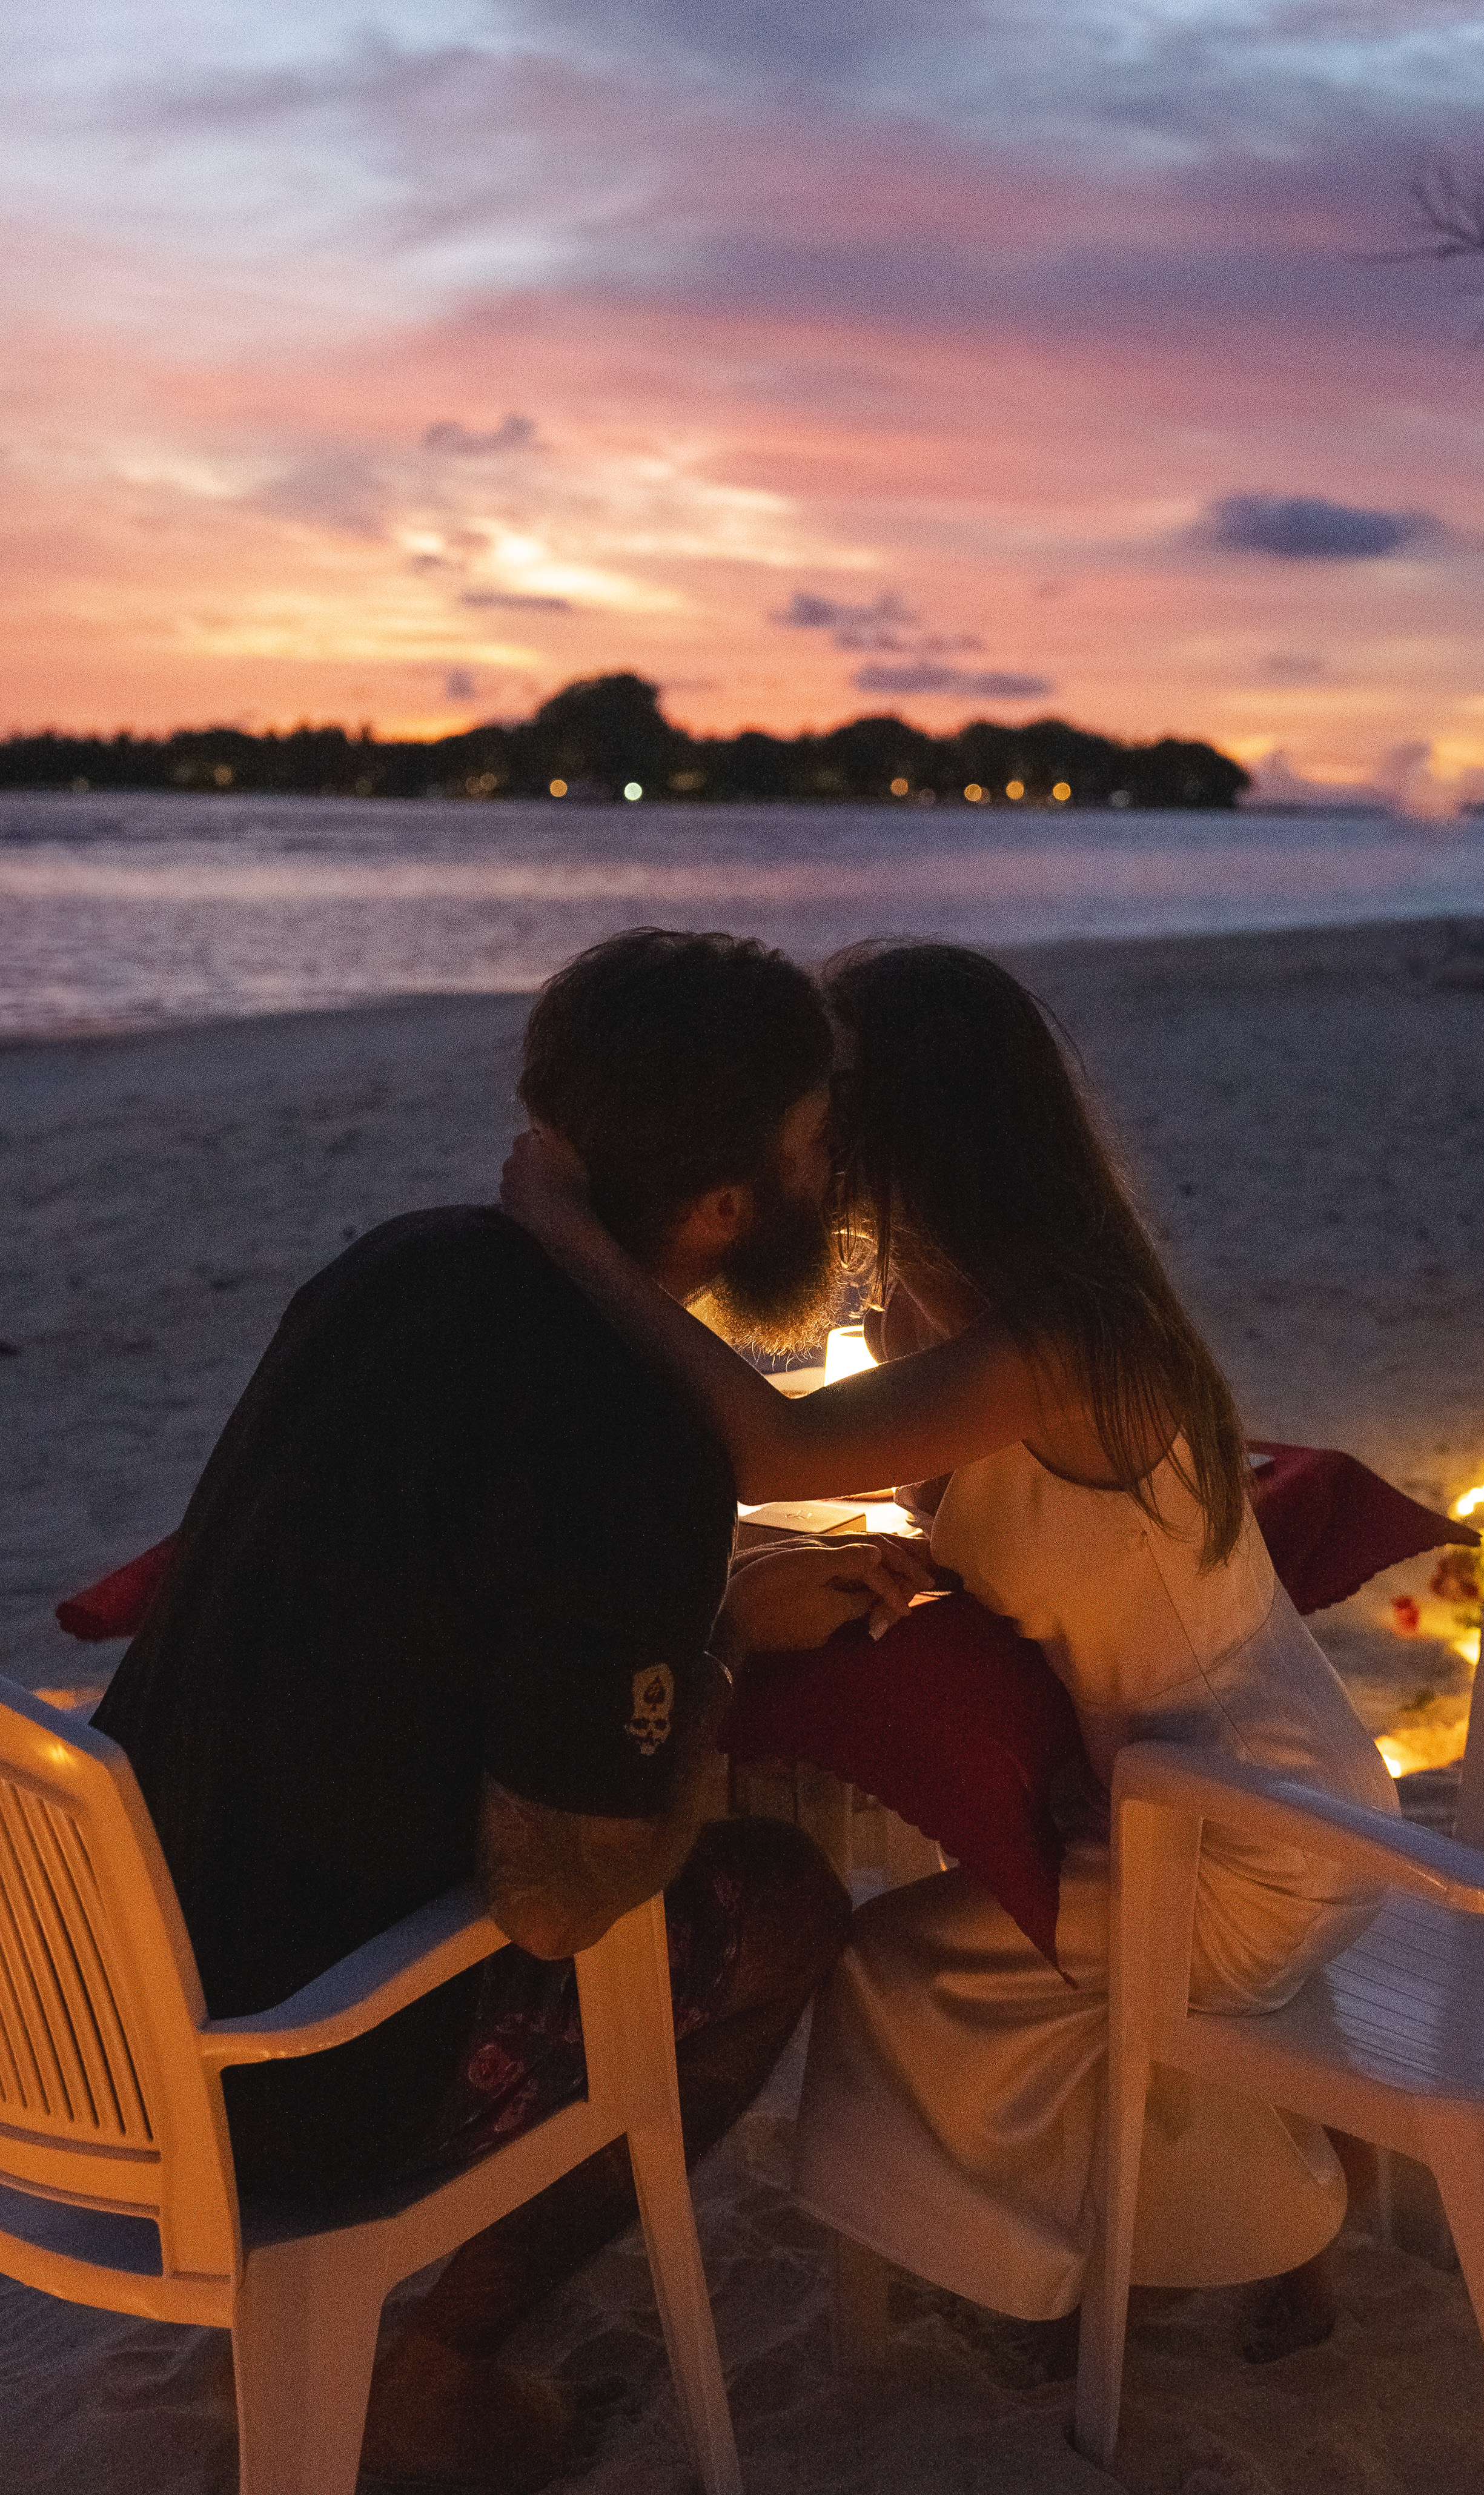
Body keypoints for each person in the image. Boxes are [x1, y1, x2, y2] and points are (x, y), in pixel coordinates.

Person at [91, 929, 932, 2493]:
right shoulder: (633, 1439)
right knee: (786, 1906)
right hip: (286, 2073)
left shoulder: (396, 1266)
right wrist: (719, 1661)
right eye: (817, 1147)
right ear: (730, 1199)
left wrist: (672, 1621)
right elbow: (560, 1899)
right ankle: (436, 2368)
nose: (835, 1181)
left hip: (92, 1995)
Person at [498, 938, 1398, 2349]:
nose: (804, 1106)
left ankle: (1125, 2261)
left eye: (829, 1082)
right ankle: (1246, 2232)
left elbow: (770, 1442)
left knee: (900, 1972)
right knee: (1010, 1965)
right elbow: (888, 1479)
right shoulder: (960, 1300)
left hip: (1241, 1819)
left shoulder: (1062, 1334)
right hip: (1196, 1782)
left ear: (910, 1111)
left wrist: (581, 1252)